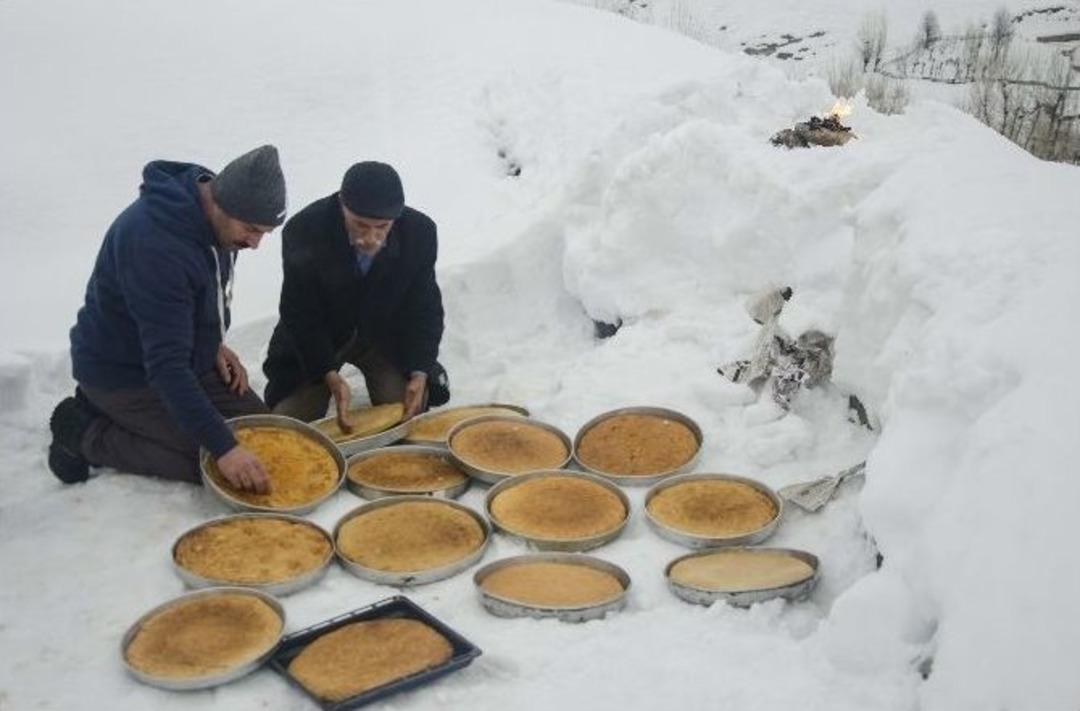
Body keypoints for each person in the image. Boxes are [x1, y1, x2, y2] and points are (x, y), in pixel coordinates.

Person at [47, 145, 288, 491]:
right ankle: (87, 431)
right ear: (220, 203)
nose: (256, 243)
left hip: (179, 356)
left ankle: (127, 416)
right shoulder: (155, 245)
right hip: (123, 373)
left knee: (270, 438)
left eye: (265, 232)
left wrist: (212, 343)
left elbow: (198, 294)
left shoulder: (216, 215)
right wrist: (224, 448)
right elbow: (165, 366)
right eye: (251, 229)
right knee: (217, 468)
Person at [262, 161, 447, 429]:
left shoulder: (420, 233)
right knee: (289, 425)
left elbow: (425, 307)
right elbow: (299, 312)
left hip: (383, 335)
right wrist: (327, 373)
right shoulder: (304, 230)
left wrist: (420, 370)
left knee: (405, 413)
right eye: (360, 225)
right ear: (341, 206)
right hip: (321, 337)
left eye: (382, 227)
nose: (370, 238)